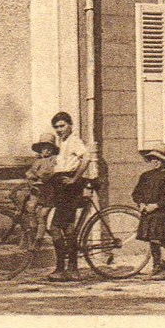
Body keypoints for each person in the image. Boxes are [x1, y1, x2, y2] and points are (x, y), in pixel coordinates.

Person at [46, 112, 93, 281]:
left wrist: (74, 178)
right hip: (62, 186)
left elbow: (87, 158)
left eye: (62, 126)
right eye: (56, 127)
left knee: (55, 227)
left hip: (70, 187)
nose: (59, 130)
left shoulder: (74, 141)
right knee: (68, 227)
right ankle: (71, 269)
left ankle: (63, 269)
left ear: (70, 125)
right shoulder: (63, 143)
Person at [132, 148, 165, 279]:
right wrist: (141, 203)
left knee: (161, 240)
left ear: (163, 162)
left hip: (160, 213)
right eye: (152, 159)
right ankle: (156, 266)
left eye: (158, 159)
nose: (155, 162)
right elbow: (137, 192)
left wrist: (156, 205)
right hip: (147, 213)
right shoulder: (145, 176)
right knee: (152, 240)